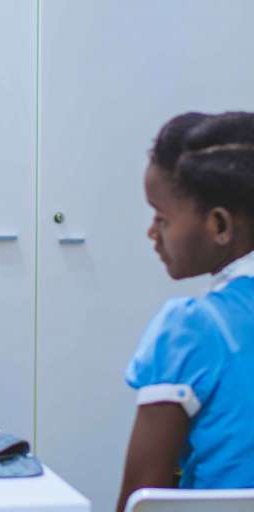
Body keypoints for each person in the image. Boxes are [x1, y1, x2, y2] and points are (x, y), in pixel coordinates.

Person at [116, 112, 254, 511]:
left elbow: (141, 499)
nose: (152, 232)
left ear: (220, 225)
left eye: (161, 217)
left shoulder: (191, 330)